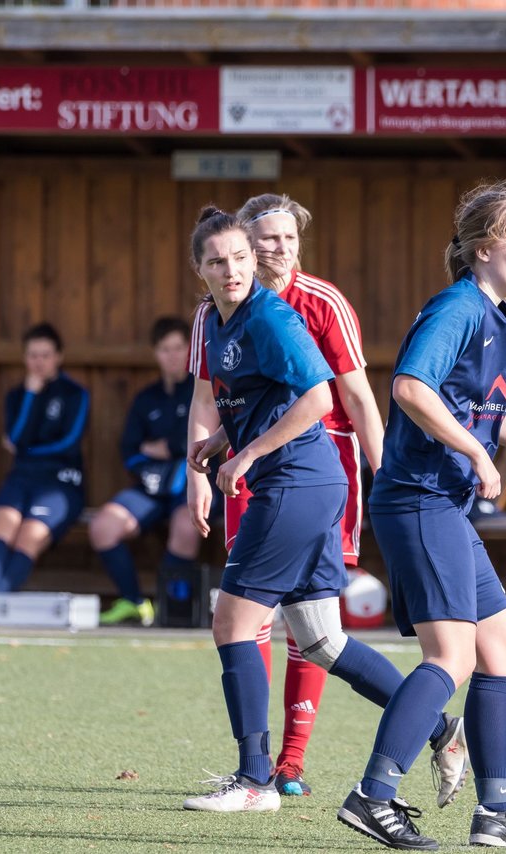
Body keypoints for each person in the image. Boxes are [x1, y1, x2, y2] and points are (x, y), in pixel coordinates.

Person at [336, 176, 506, 850]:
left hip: (446, 506)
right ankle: (373, 796)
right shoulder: (457, 308)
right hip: (419, 499)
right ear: (486, 247)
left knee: (502, 647)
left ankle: (496, 811)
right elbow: (408, 389)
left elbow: (489, 415)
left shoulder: (505, 322)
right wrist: (477, 456)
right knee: (452, 655)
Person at [179, 206, 465, 815]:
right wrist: (220, 443)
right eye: (216, 260)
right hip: (304, 484)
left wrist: (247, 454)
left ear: (253, 261)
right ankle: (442, 730)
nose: (230, 269)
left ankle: (255, 780)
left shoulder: (270, 316)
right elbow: (256, 401)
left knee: (232, 622)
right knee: (322, 639)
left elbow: (318, 398)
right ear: (198, 269)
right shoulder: (220, 322)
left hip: (295, 485)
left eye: (238, 257)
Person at [0, 323, 90, 619]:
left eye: (45, 355)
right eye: (32, 355)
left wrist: (24, 448)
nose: (39, 362)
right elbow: (16, 435)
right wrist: (31, 396)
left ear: (59, 357)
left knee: (29, 535)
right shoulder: (18, 395)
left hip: (61, 481)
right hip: (22, 477)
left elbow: (67, 443)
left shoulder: (76, 394)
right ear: (24, 358)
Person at [89, 317, 200, 626]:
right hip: (151, 487)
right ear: (156, 353)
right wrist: (157, 456)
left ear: (190, 350)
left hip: (193, 485)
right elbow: (130, 451)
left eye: (179, 348)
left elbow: (202, 441)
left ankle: (168, 608)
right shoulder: (146, 399)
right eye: (165, 349)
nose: (173, 356)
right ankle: (135, 602)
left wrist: (169, 447)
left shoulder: (201, 390)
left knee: (186, 527)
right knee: (103, 527)